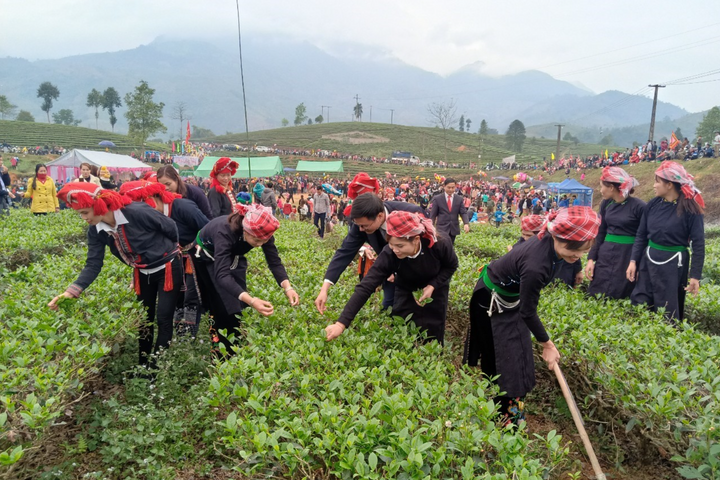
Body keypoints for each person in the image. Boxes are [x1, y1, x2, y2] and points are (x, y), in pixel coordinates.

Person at [464, 207, 600, 425]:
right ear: (555, 235)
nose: (576, 255)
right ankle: (507, 421)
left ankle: (507, 416)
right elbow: (528, 311)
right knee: (506, 365)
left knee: (516, 365)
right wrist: (547, 344)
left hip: (509, 299)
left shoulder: (551, 244)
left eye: (583, 250)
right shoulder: (538, 265)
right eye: (571, 248)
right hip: (490, 301)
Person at [49, 183, 183, 368]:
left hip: (168, 267)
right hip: (141, 271)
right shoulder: (95, 230)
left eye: (85, 212)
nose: (83, 218)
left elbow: (170, 228)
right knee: (144, 319)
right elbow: (93, 264)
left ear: (99, 205)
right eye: (80, 214)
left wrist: (165, 250)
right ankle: (143, 365)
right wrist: (71, 292)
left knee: (163, 318)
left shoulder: (137, 212)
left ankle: (156, 369)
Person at [325, 210, 458, 344]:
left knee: (432, 332)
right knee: (403, 331)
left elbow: (451, 266)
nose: (395, 250)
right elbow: (366, 286)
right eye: (391, 245)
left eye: (400, 246)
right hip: (405, 288)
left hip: (436, 290)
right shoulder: (390, 253)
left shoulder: (439, 244)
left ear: (416, 240)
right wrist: (341, 324)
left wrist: (433, 285)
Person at [192, 204, 299, 356]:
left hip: (233, 254)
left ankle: (237, 343)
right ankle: (220, 352)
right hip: (207, 256)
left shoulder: (263, 231)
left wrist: (288, 288)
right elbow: (222, 275)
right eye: (256, 241)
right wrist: (252, 300)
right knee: (221, 304)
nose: (260, 244)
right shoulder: (224, 232)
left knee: (238, 302)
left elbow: (274, 261)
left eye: (263, 241)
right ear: (245, 230)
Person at [120, 180, 210, 335]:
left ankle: (188, 335)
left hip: (194, 257)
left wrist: (194, 246)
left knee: (191, 297)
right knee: (178, 299)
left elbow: (208, 228)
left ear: (154, 197)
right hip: (173, 260)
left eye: (141, 202)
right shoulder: (148, 217)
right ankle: (179, 333)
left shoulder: (183, 207)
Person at [314, 191, 426, 314]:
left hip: (417, 268)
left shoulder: (412, 213)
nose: (361, 229)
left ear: (379, 216)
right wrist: (325, 288)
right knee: (389, 307)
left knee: (419, 309)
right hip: (389, 271)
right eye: (359, 225)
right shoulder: (362, 223)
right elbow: (345, 252)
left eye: (365, 226)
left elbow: (427, 251)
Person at [627, 161, 704, 322]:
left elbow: (698, 243)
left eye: (657, 182)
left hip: (674, 263)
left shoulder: (690, 208)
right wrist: (633, 260)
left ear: (669, 185)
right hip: (649, 260)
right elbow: (641, 234)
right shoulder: (653, 204)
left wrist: (695, 276)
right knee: (641, 300)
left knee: (668, 307)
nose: (654, 185)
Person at [585, 167, 645, 299]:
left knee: (621, 294)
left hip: (627, 255)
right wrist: (591, 259)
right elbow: (600, 232)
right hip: (606, 253)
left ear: (611, 187)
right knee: (597, 293)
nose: (600, 191)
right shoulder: (606, 204)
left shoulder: (639, 206)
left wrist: (635, 261)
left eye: (602, 187)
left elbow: (643, 237)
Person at [429, 178, 469, 244]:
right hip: (442, 228)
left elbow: (463, 212)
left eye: (453, 187)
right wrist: (431, 227)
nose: (451, 189)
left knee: (451, 246)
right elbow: (433, 214)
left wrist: (466, 223)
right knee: (442, 246)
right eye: (449, 187)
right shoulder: (437, 199)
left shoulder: (459, 199)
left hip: (453, 228)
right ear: (444, 186)